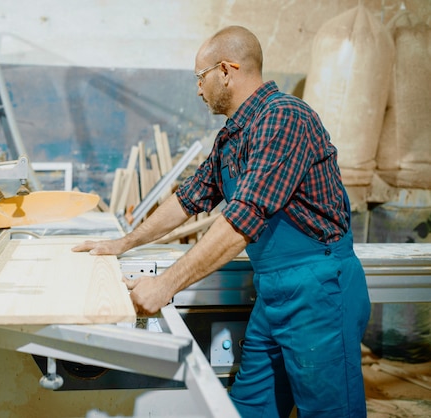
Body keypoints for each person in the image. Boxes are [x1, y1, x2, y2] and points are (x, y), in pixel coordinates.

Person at [73, 25, 371, 417]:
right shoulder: (232, 136)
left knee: (331, 411)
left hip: (319, 293)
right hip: (275, 293)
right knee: (249, 406)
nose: (198, 89)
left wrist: (165, 285)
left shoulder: (284, 117)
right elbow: (187, 200)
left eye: (201, 77)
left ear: (227, 70)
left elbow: (241, 222)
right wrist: (122, 243)